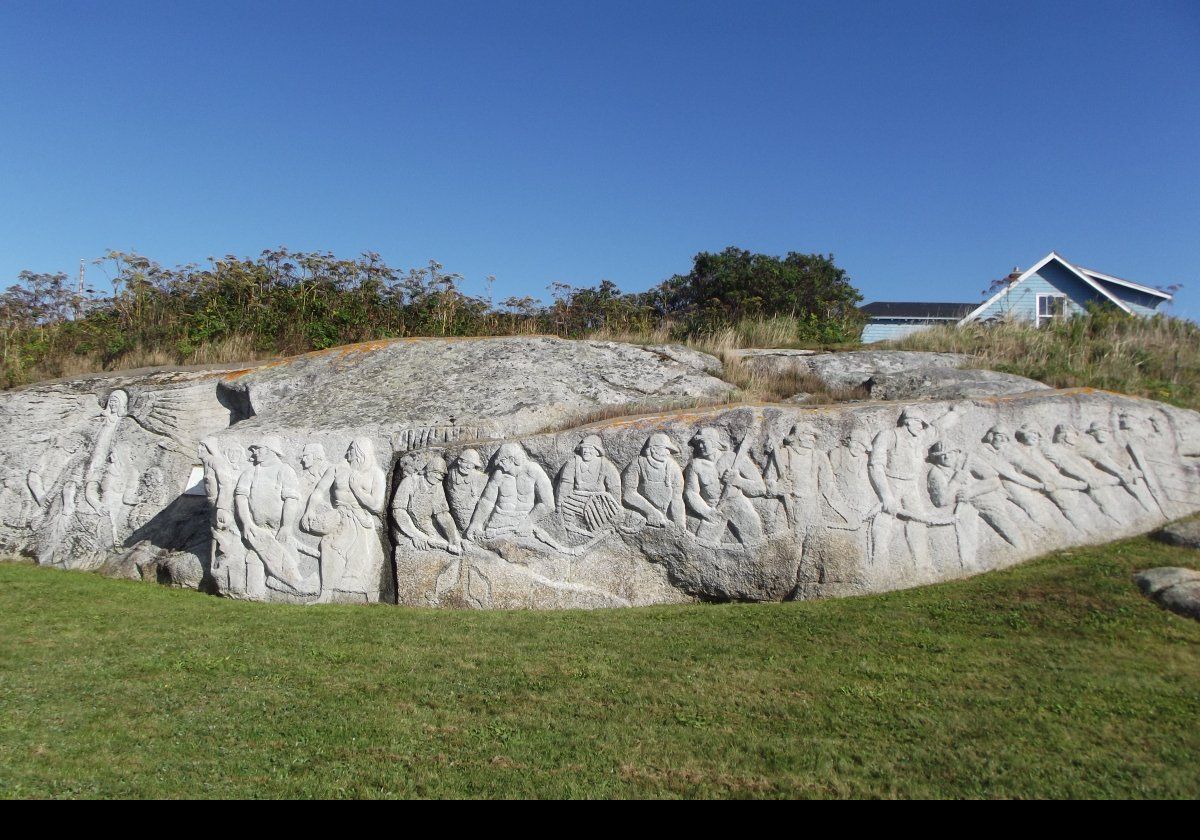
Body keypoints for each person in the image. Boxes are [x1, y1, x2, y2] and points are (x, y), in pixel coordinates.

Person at [684, 427, 765, 547]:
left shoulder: (734, 458)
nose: (700, 446)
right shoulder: (696, 465)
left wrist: (739, 481)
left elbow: (760, 488)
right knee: (704, 546)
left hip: (738, 505)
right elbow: (691, 493)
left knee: (755, 543)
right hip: (713, 508)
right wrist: (707, 512)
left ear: (715, 442)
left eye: (703, 442)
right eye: (698, 443)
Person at [466, 443, 554, 540]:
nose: (498, 464)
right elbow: (487, 500)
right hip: (496, 526)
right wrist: (476, 523)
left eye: (502, 460)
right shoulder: (499, 474)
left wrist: (529, 521)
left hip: (523, 526)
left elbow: (548, 504)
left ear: (512, 460)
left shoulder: (533, 470)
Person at [556, 434, 622, 535]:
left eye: (590, 448)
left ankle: (600, 533)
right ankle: (573, 533)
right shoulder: (573, 463)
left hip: (600, 500)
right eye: (584, 448)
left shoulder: (606, 465)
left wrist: (616, 506)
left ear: (597, 451)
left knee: (602, 517)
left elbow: (614, 487)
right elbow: (565, 484)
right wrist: (559, 504)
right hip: (576, 498)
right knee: (566, 512)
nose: (586, 451)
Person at [622, 433, 686, 529]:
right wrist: (650, 511)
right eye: (665, 449)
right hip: (640, 513)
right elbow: (628, 493)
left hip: (665, 516)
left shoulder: (673, 467)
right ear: (653, 449)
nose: (668, 453)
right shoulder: (638, 464)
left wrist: (679, 523)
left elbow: (677, 498)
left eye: (668, 450)